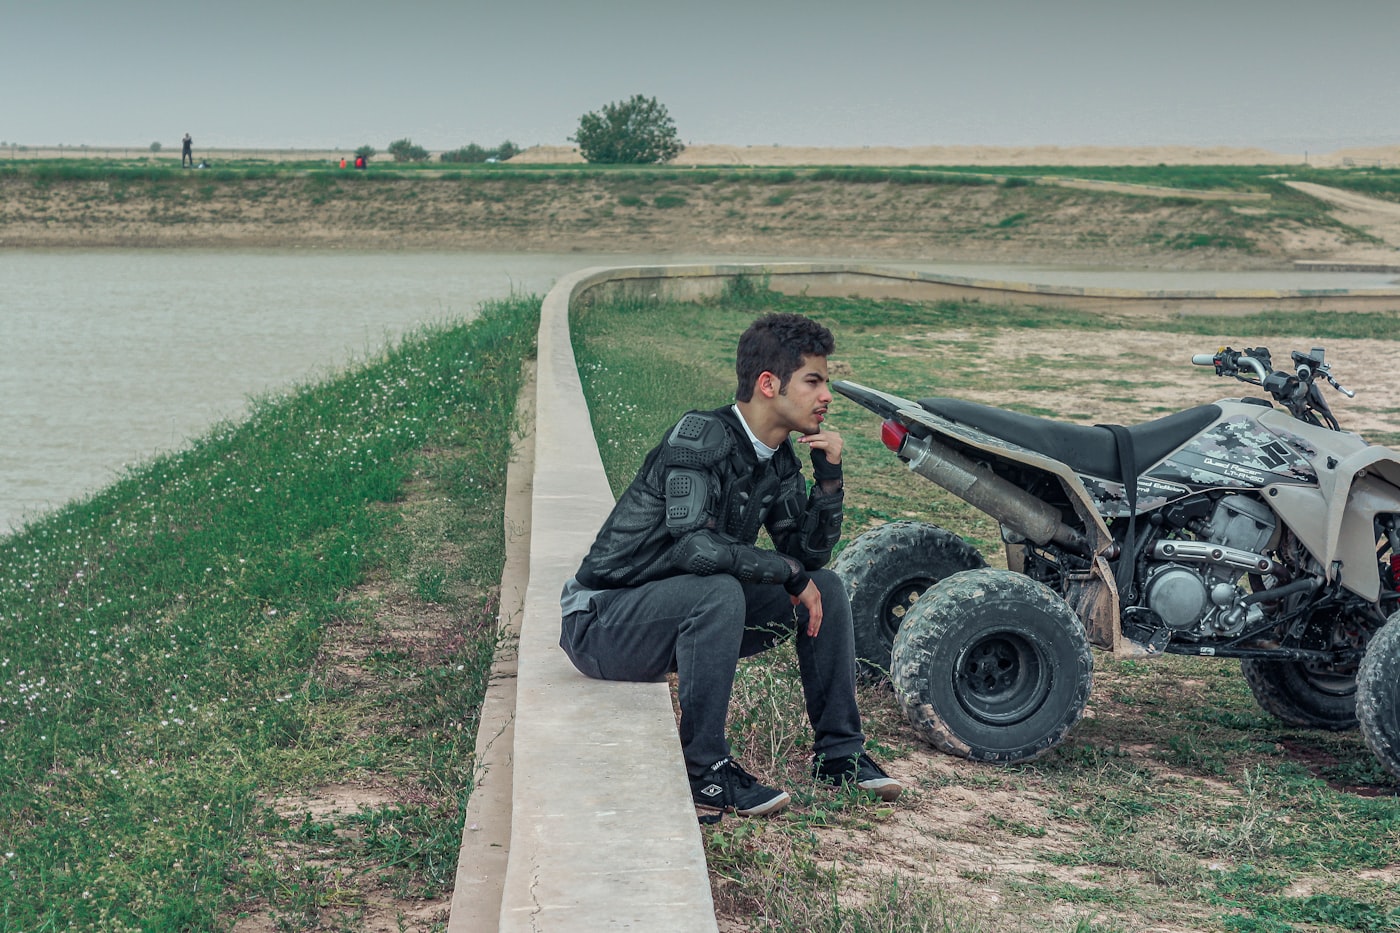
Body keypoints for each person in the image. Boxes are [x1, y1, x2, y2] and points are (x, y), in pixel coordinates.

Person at [559, 312, 902, 818]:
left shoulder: (779, 458)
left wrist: (828, 481)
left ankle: (840, 755)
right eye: (814, 381)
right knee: (718, 587)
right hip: (603, 623)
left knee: (825, 587)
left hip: (679, 616)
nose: (826, 395)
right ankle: (706, 774)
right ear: (769, 384)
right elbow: (694, 549)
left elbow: (807, 561)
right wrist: (787, 573)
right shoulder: (699, 438)